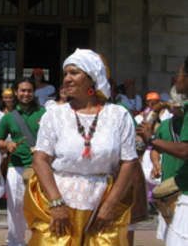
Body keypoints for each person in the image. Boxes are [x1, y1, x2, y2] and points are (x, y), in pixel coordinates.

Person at [24, 49, 138, 245]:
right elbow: (40, 159)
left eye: (74, 73)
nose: (67, 79)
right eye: (65, 73)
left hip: (102, 203)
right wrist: (56, 203)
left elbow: (129, 162)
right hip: (57, 203)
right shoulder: (55, 115)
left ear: (92, 78)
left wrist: (110, 205)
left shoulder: (118, 115)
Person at [137, 56, 188, 246]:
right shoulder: (166, 125)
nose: (177, 79)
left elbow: (185, 150)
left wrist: (151, 138)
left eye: (181, 74)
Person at [0, 78, 46, 246]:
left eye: (29, 91)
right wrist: (7, 144)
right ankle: (15, 242)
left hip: (40, 167)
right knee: (15, 208)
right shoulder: (8, 118)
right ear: (16, 93)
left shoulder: (44, 113)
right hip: (15, 167)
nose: (26, 94)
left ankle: (40, 242)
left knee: (41, 208)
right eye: (22, 91)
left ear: (34, 93)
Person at [149, 92, 186, 242]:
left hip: (184, 188)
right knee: (170, 237)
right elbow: (155, 149)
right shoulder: (165, 125)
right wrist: (156, 163)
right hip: (169, 186)